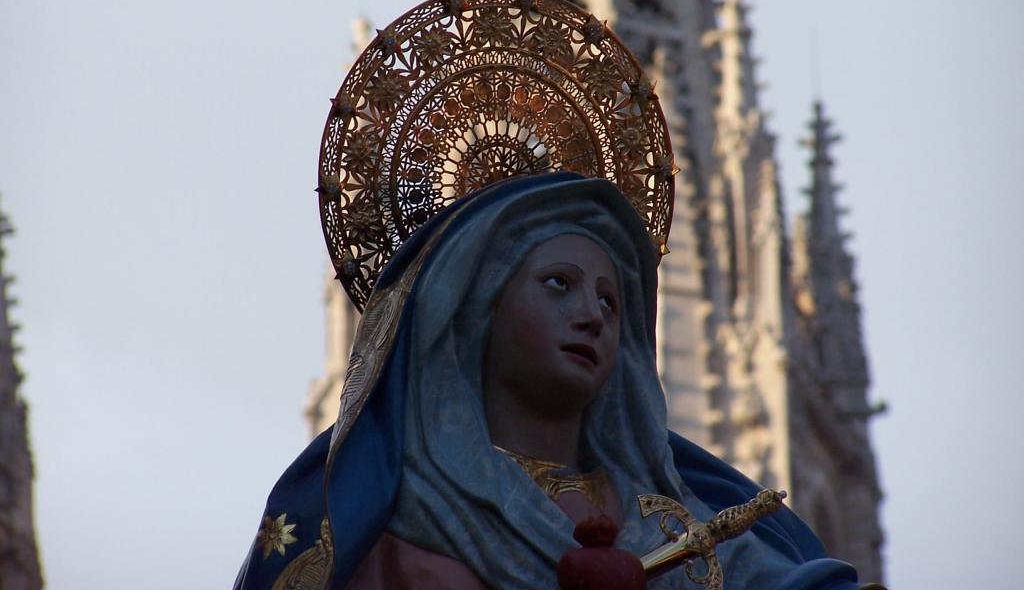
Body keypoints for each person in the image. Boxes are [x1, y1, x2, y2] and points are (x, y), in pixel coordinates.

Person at [233, 172, 867, 590]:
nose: (591, 314)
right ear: (476, 309)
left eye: (612, 302)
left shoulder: (676, 525)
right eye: (558, 285)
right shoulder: (388, 518)